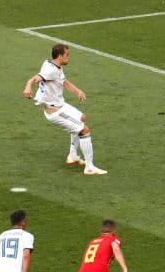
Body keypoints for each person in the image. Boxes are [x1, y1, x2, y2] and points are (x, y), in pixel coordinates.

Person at [22, 43, 108, 175]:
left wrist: (78, 91)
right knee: (84, 131)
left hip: (61, 105)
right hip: (55, 112)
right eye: (67, 55)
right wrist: (28, 86)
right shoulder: (50, 70)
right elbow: (35, 79)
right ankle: (89, 167)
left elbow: (64, 82)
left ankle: (72, 156)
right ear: (60, 55)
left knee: (81, 118)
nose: (69, 58)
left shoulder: (53, 65)